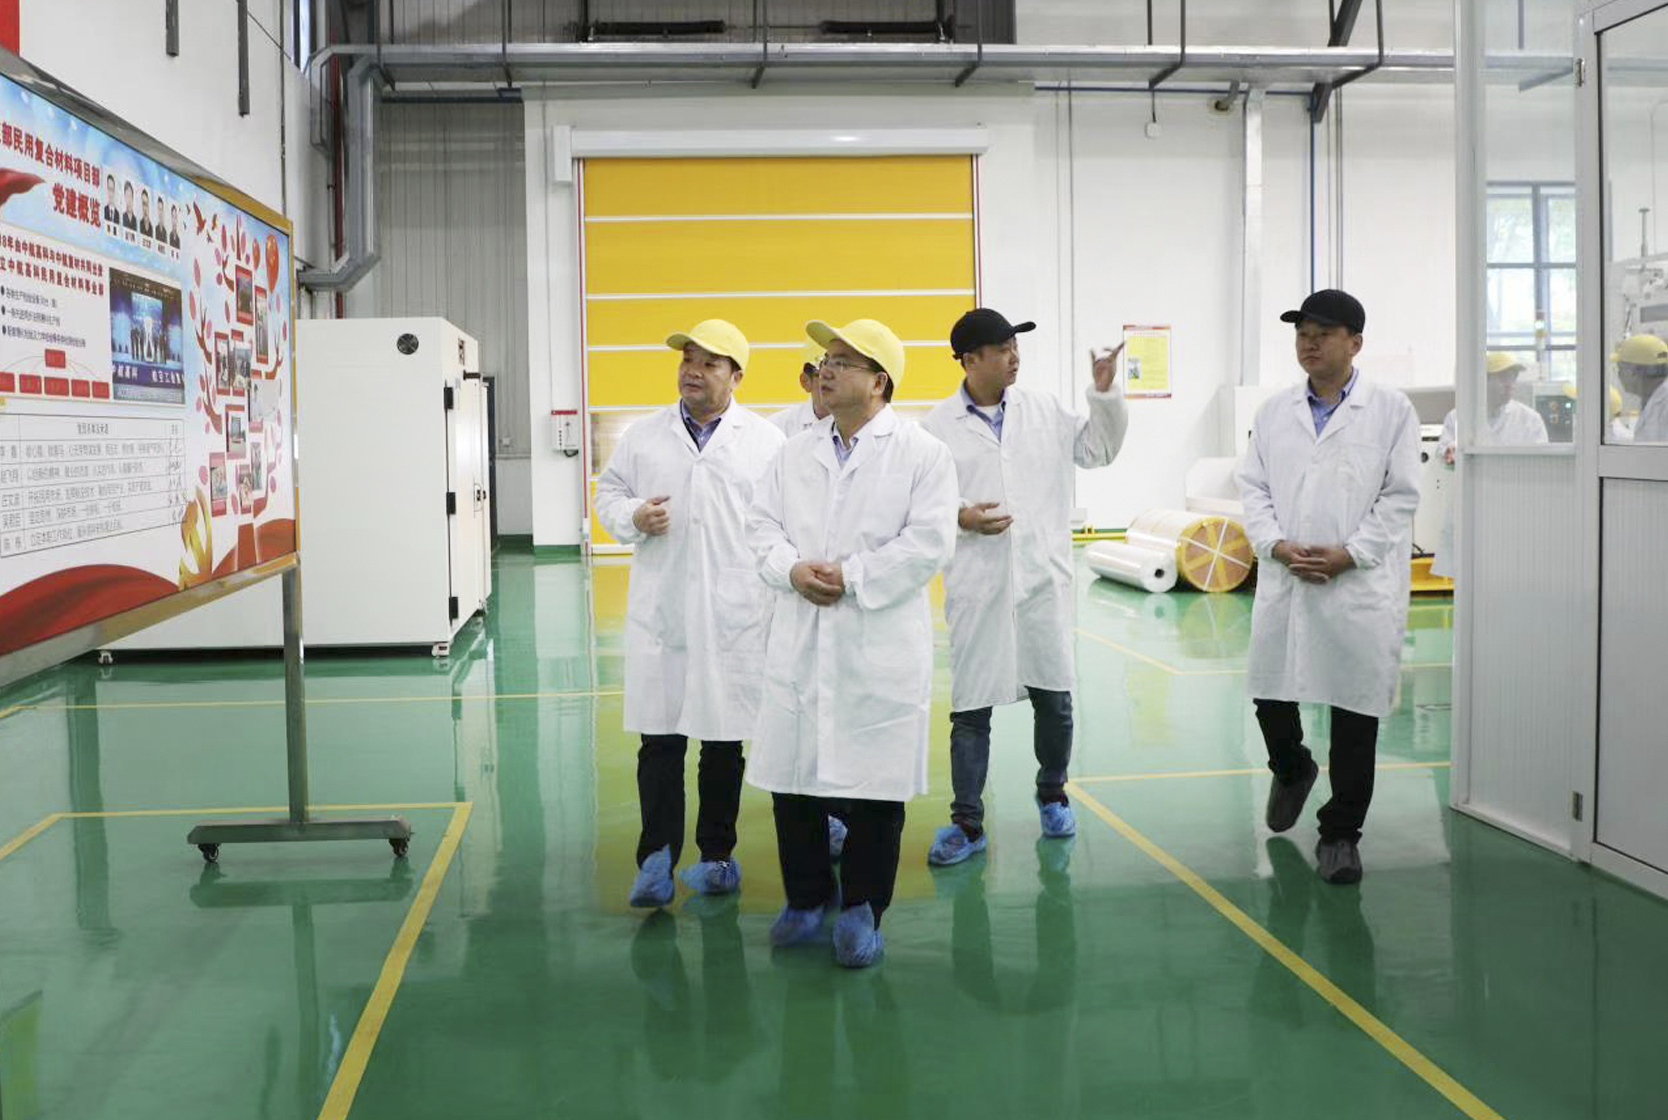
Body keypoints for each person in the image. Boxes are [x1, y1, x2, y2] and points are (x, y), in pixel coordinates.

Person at [746, 318, 958, 967]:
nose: (826, 369)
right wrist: (790, 568)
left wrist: (854, 576)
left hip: (877, 642)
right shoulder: (792, 452)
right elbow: (759, 526)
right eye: (825, 359)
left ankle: (864, 906)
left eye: (843, 360)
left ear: (880, 381)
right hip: (800, 638)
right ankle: (806, 897)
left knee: (875, 785)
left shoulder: (922, 453)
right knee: (793, 779)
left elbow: (930, 543)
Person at [919, 308, 1129, 867]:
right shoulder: (935, 428)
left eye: (1016, 346)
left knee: (1054, 699)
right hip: (978, 585)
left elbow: (1099, 451)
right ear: (970, 359)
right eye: (1002, 348)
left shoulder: (1045, 410)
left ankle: (1052, 794)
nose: (1015, 356)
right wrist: (961, 516)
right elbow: (921, 502)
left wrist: (1104, 395)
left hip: (1041, 579)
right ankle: (967, 822)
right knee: (970, 711)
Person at [595, 319, 787, 910]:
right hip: (666, 612)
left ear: (736, 376)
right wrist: (632, 516)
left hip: (736, 613)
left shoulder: (766, 442)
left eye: (709, 363)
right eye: (687, 360)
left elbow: (783, 519)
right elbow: (608, 493)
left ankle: (717, 856)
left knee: (723, 741)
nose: (693, 371)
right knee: (660, 739)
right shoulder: (644, 435)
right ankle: (655, 858)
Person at [1234, 289, 1421, 885]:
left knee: (1354, 711)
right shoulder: (1274, 412)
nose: (1309, 343)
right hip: (1288, 576)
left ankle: (1340, 834)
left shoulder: (1390, 410)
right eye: (1302, 333)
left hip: (1355, 585)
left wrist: (1352, 554)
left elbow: (1401, 495)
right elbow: (1253, 487)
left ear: (1355, 343)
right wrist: (1274, 545)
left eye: (1323, 333)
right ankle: (1292, 768)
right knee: (1271, 694)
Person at [1431, 352, 1548, 579]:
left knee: (1513, 575)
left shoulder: (1529, 419)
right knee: (1469, 578)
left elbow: (1540, 466)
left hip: (1514, 512)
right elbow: (1443, 450)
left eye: (1513, 377)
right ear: (1482, 380)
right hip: (1471, 509)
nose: (1510, 384)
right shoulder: (1458, 416)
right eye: (1503, 377)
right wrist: (1449, 452)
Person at [1613, 332, 1668, 442]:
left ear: (1632, 372)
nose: (1618, 374)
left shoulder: (1664, 406)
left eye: (1620, 368)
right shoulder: (1654, 399)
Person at [769, 339, 831, 436]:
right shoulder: (777, 428)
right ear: (805, 381)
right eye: (827, 376)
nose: (839, 382)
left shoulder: (857, 427)